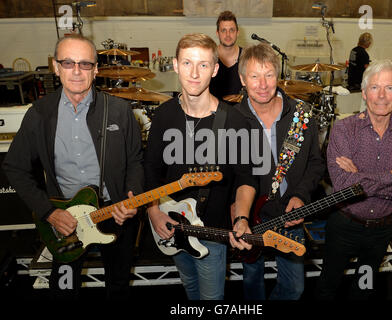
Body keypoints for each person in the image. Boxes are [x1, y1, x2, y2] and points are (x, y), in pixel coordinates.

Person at [2, 34, 145, 299]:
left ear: (96, 69)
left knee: (118, 286)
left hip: (113, 215)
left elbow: (135, 160)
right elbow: (15, 167)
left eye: (85, 64)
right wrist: (48, 212)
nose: (77, 71)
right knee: (64, 289)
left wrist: (131, 197)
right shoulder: (40, 113)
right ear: (56, 67)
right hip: (64, 220)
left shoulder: (118, 110)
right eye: (68, 63)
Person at [145, 33, 257, 300]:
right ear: (175, 65)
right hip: (170, 223)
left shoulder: (235, 121)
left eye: (203, 65)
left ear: (215, 69)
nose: (194, 73)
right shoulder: (163, 116)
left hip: (211, 230)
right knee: (190, 288)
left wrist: (241, 217)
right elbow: (151, 171)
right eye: (187, 63)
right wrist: (153, 211)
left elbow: (246, 178)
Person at [316, 60, 392, 300]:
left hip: (381, 231)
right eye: (375, 88)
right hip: (344, 226)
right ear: (364, 94)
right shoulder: (344, 130)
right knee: (328, 286)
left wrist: (360, 180)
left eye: (389, 88)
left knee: (363, 288)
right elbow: (344, 186)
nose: (382, 96)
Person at [235, 43, 325, 300]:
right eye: (254, 76)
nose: (262, 84)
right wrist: (236, 208)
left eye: (269, 75)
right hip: (250, 216)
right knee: (252, 281)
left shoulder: (301, 115)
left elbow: (316, 163)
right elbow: (231, 172)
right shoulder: (233, 119)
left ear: (278, 76)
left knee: (294, 288)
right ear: (243, 79)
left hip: (289, 214)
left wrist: (301, 195)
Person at [209, 11, 243, 101]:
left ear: (237, 33)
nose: (228, 35)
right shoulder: (209, 57)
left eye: (232, 30)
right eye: (223, 30)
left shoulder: (247, 57)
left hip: (240, 112)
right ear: (217, 33)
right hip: (214, 111)